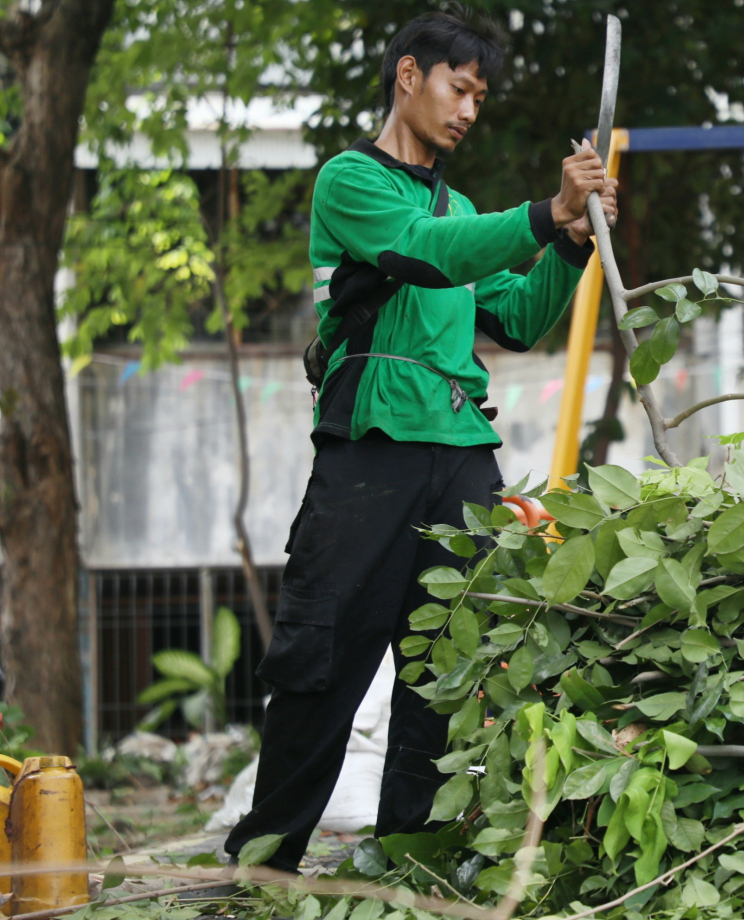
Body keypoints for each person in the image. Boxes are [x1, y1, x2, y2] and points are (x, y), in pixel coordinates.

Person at [223, 6, 617, 873]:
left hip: (462, 457)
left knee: (449, 664)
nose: (470, 111)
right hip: (372, 452)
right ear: (410, 76)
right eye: (459, 88)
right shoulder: (351, 183)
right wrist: (547, 212)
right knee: (320, 656)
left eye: (480, 96)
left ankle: (411, 861)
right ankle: (263, 861)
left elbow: (513, 315)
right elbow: (423, 253)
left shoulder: (463, 209)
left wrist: (572, 245)